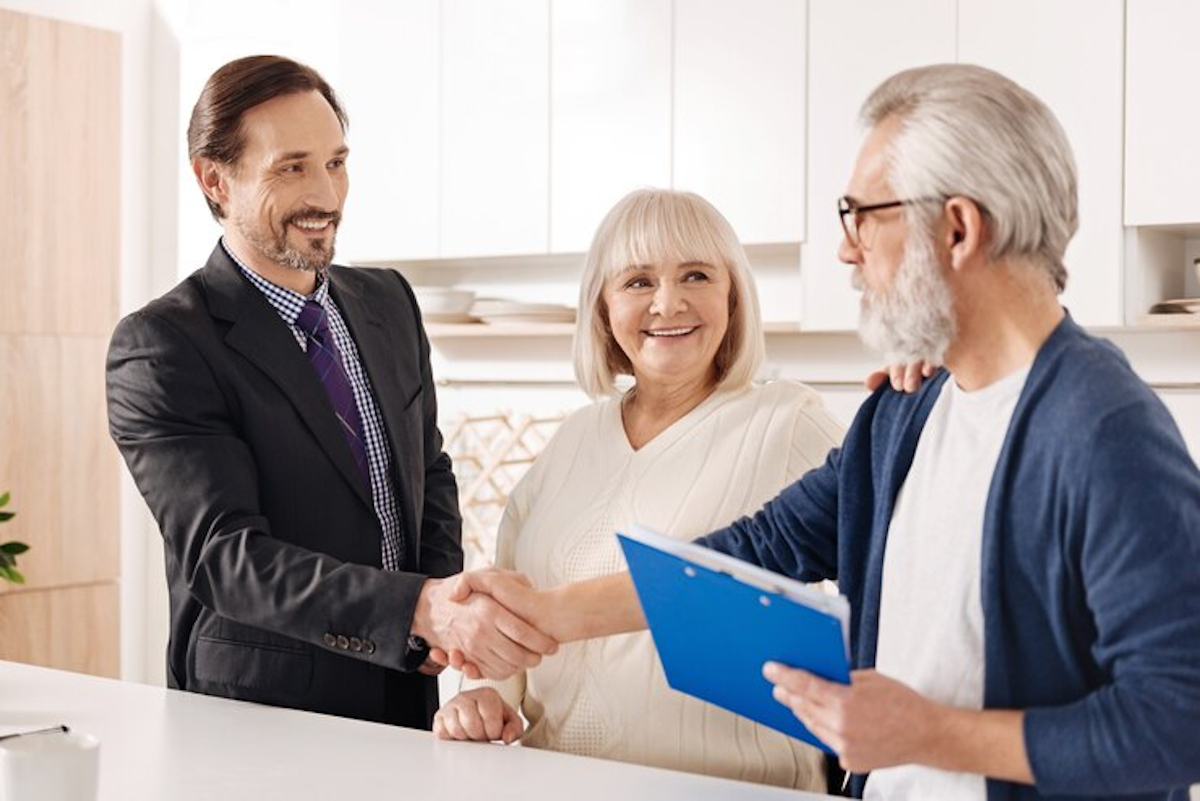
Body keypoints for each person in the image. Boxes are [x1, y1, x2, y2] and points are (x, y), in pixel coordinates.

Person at [451, 64, 1200, 800]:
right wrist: (547, 614)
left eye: (862, 215)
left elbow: (1181, 716)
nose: (846, 249)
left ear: (959, 228)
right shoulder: (904, 411)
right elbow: (752, 553)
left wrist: (929, 732)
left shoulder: (1102, 428)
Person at [106, 55, 554, 729]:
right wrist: (417, 608)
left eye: (336, 162)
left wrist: (440, 610)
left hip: (405, 693)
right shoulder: (163, 344)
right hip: (257, 720)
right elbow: (228, 558)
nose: (327, 195)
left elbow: (429, 476)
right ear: (215, 180)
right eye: (292, 167)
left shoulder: (390, 302)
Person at [433, 189, 844, 792]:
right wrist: (483, 696)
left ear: (733, 295)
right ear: (602, 307)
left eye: (696, 275)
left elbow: (891, 589)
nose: (667, 303)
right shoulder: (571, 440)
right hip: (558, 782)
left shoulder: (789, 423)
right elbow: (513, 604)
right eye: (638, 281)